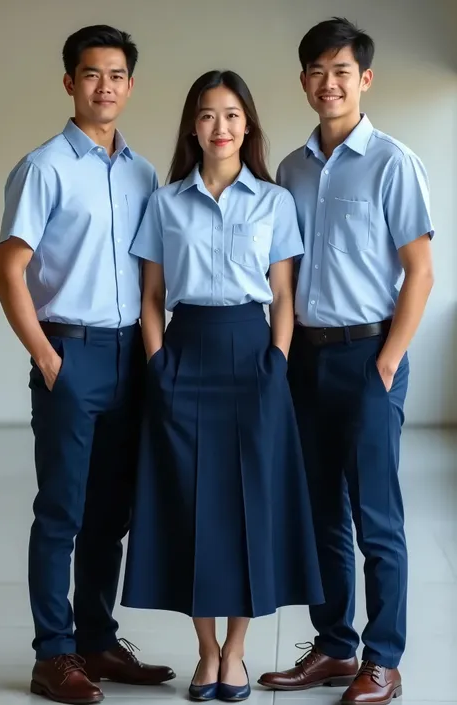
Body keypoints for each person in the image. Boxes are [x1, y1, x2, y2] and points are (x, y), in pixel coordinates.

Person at [121, 69, 324, 702]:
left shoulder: (274, 201)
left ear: (248, 125)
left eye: (232, 115)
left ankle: (235, 652)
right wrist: (158, 366)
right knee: (187, 506)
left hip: (251, 356)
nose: (220, 128)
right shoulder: (164, 202)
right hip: (184, 354)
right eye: (208, 115)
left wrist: (275, 363)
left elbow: (284, 294)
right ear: (192, 125)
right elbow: (151, 296)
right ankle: (203, 651)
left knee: (248, 507)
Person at [0, 24, 175, 705]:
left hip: (131, 353)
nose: (106, 86)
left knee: (111, 512)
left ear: (130, 84)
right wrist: (46, 355)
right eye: (92, 74)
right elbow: (8, 272)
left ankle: (98, 637)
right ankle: (54, 654)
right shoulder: (43, 167)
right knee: (62, 511)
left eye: (118, 74)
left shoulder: (142, 172)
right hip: (70, 352)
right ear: (70, 82)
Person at [258, 17, 434, 705]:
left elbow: (418, 272)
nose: (328, 83)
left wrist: (388, 362)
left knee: (376, 517)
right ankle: (334, 645)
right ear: (303, 80)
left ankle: (382, 659)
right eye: (316, 71)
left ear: (364, 78)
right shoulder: (292, 170)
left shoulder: (393, 162)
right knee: (320, 512)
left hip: (369, 355)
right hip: (307, 358)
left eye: (341, 71)